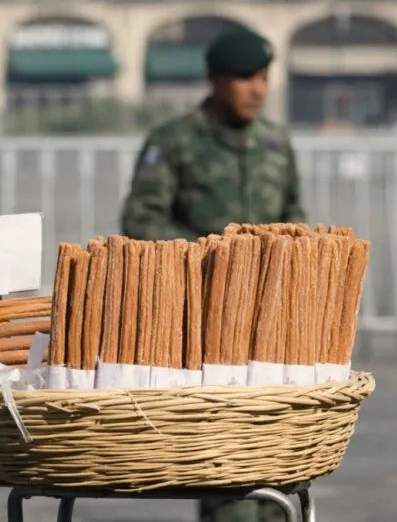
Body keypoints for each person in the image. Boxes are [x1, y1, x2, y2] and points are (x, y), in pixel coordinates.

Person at [120, 29, 305, 522]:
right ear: (215, 80)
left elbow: (295, 216)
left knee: (283, 458)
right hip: (207, 320)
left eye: (263, 77)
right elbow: (140, 220)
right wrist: (213, 255)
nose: (257, 89)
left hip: (274, 322)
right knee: (225, 462)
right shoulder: (174, 142)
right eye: (245, 78)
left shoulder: (276, 143)